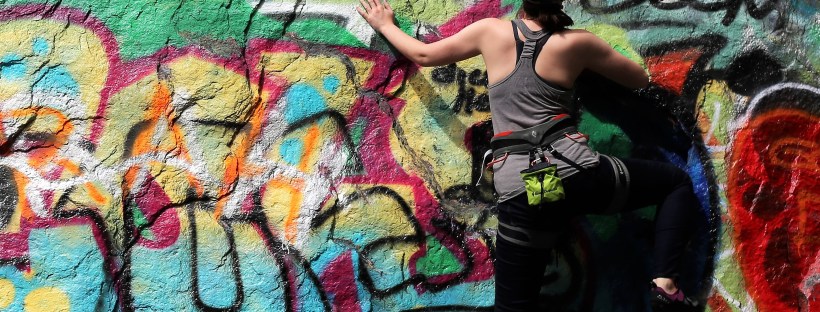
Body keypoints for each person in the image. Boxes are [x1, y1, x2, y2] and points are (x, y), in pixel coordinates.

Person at [357, 0, 701, 311]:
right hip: (576, 172)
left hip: (526, 186)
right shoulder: (578, 43)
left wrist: (385, 25)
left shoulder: (491, 31)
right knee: (675, 183)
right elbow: (638, 77)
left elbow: (424, 55)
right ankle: (665, 285)